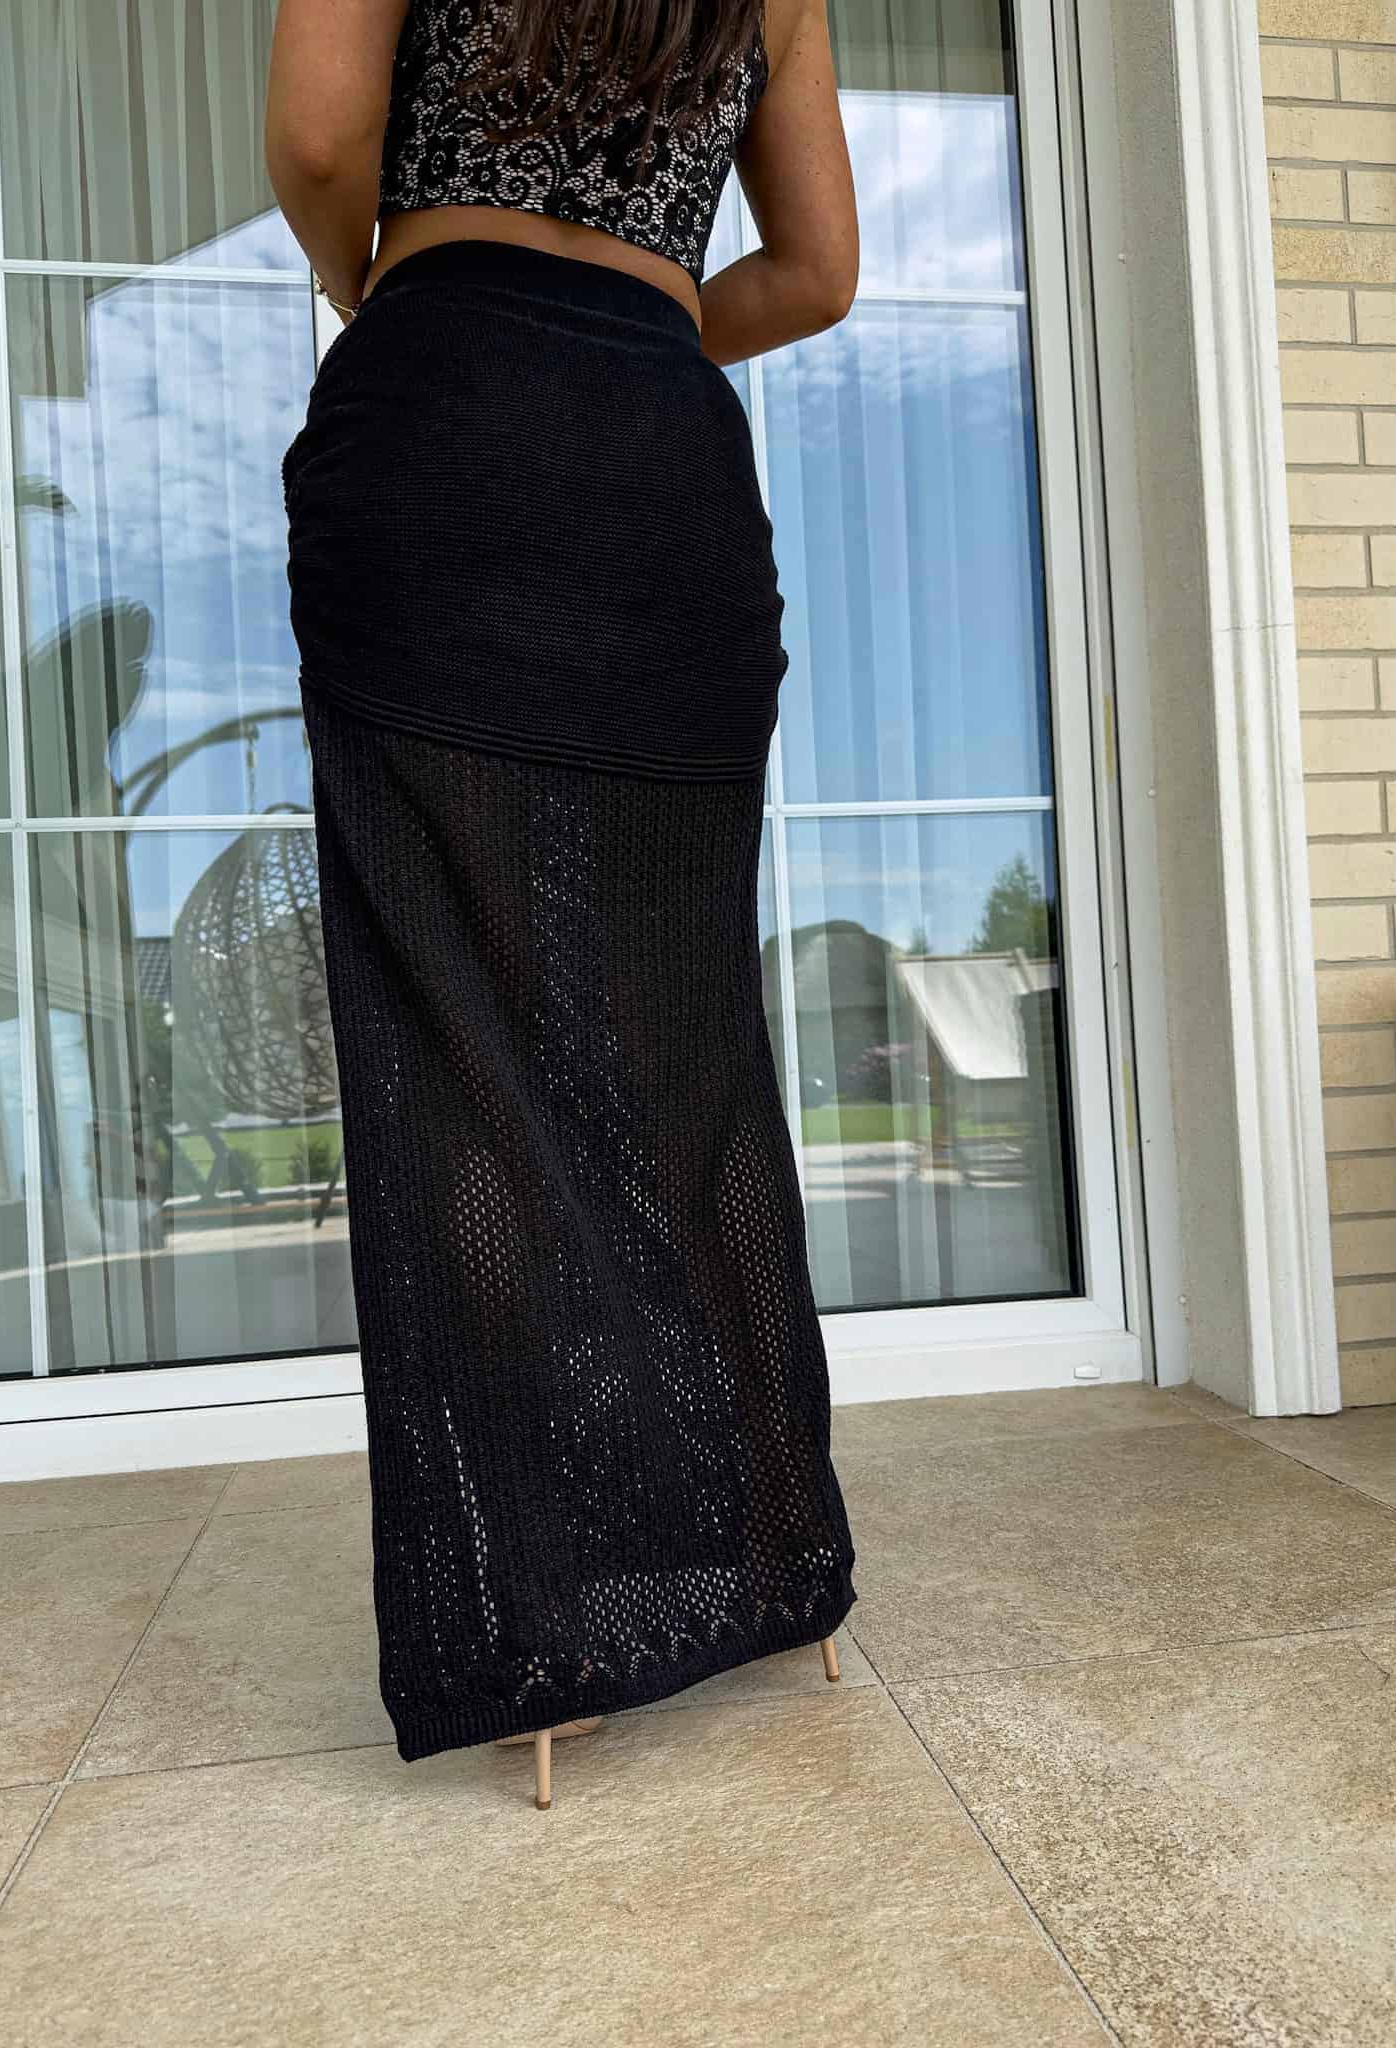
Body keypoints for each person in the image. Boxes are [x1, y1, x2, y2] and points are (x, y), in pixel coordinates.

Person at [265, 0, 861, 1812]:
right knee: (683, 1038)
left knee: (465, 1030)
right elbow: (819, 271)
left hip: (440, 410)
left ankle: (544, 1625)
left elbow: (319, 142)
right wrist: (658, 320)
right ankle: (773, 1557)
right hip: (660, 454)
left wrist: (382, 286)